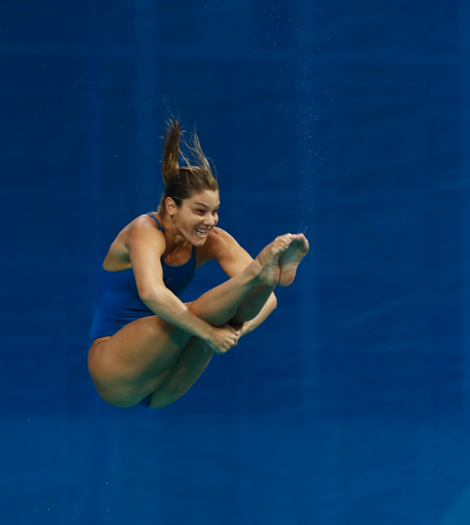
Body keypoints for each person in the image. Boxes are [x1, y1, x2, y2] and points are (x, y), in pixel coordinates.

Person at [87, 120, 308, 408]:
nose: (211, 221)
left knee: (225, 316)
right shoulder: (143, 232)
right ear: (170, 207)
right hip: (115, 370)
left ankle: (266, 277)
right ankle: (258, 273)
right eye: (200, 211)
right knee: (197, 317)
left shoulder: (213, 239)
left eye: (215, 212)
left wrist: (233, 332)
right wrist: (209, 334)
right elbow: (152, 293)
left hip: (161, 390)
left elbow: (270, 304)